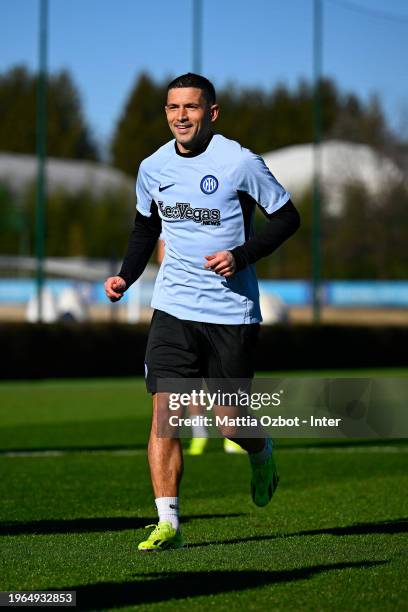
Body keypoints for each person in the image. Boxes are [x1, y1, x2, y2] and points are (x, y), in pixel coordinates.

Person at [104, 73, 300, 551]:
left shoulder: (239, 162)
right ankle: (167, 522)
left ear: (211, 113)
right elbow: (144, 228)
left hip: (231, 312)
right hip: (173, 307)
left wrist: (243, 255)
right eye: (173, 108)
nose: (180, 116)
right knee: (164, 414)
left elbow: (288, 217)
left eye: (191, 108)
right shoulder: (152, 167)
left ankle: (262, 452)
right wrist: (126, 277)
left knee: (231, 422)